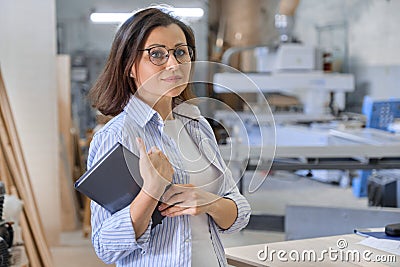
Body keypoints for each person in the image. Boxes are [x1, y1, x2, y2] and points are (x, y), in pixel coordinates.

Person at [87, 6, 251, 267]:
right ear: (129, 65)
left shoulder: (198, 126)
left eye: (180, 52)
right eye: (157, 55)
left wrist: (209, 202)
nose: (174, 64)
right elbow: (105, 246)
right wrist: (151, 191)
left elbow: (239, 214)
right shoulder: (118, 135)